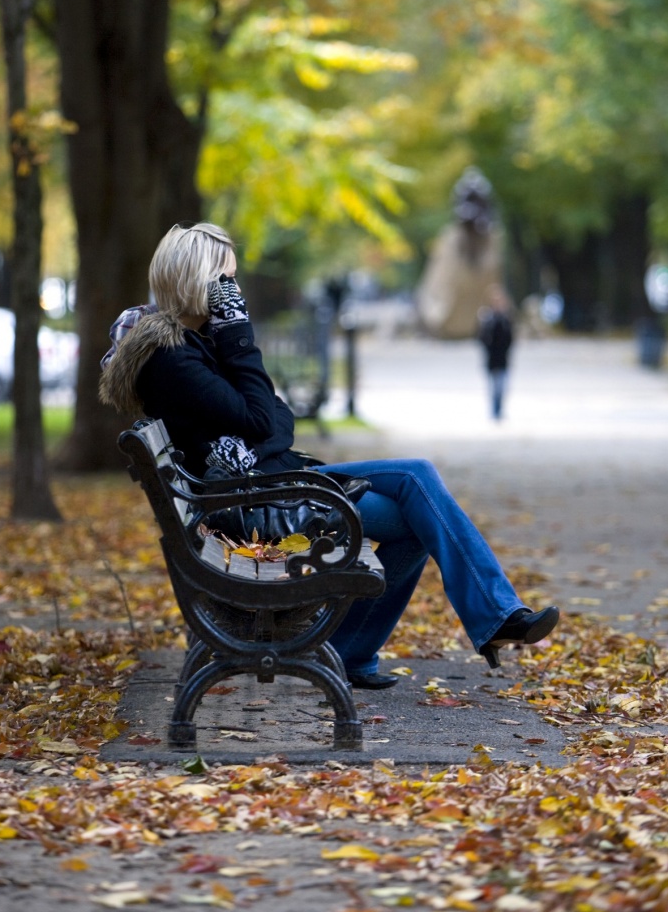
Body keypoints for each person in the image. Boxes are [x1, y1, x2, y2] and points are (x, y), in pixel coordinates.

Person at [99, 223, 559, 687]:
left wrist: (260, 424)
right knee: (417, 511)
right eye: (226, 281)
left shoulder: (195, 346)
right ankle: (396, 640)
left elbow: (277, 416)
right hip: (258, 502)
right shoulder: (173, 359)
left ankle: (473, 622)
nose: (233, 293)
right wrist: (238, 334)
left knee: (417, 478)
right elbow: (265, 421)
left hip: (270, 481)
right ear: (197, 280)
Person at [477, 285, 514, 421]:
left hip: (503, 359)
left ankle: (499, 410)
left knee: (502, 387)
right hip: (492, 359)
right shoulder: (487, 318)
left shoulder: (506, 319)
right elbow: (482, 338)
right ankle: (495, 411)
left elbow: (510, 338)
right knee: (494, 387)